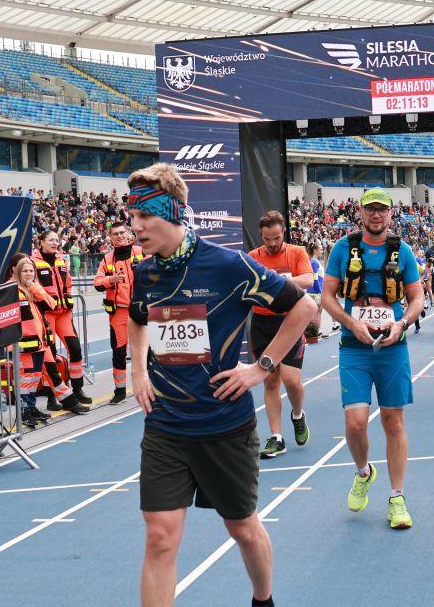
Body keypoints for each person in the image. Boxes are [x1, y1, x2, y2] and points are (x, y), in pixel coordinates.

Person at [126, 163, 316, 607]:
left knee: (242, 528)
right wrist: (138, 372)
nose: (135, 227)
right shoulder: (145, 273)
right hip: (166, 425)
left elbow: (304, 308)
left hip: (223, 425)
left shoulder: (228, 265)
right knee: (159, 536)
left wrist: (261, 367)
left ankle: (263, 600)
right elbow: (137, 318)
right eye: (131, 217)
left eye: (144, 216)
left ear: (173, 211)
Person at [321, 187, 424, 530]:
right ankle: (364, 472)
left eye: (382, 209)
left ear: (391, 214)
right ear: (361, 213)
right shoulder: (343, 248)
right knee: (355, 423)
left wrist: (402, 323)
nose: (376, 215)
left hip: (392, 346)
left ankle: (397, 497)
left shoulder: (402, 250)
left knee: (393, 422)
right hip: (354, 346)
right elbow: (327, 297)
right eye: (370, 209)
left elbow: (417, 298)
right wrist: (350, 322)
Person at [247, 210, 313, 459]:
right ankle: (276, 437)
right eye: (267, 239)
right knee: (270, 380)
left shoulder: (297, 252)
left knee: (291, 380)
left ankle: (297, 414)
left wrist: (277, 281)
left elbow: (308, 279)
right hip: (262, 323)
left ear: (283, 232)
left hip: (290, 320)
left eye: (276, 238)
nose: (272, 243)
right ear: (261, 236)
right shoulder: (253, 257)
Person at [10, 255, 90, 425]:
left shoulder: (30, 290)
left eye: (31, 271)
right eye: (25, 271)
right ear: (15, 271)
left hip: (38, 341)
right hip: (24, 344)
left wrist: (35, 287)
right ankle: (27, 411)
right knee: (28, 378)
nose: (29, 274)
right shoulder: (13, 291)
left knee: (34, 377)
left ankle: (31, 408)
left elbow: (51, 304)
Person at [32, 230, 90, 404]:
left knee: (75, 349)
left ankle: (77, 388)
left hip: (64, 314)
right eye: (51, 240)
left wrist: (67, 296)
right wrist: (45, 302)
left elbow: (68, 282)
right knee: (51, 356)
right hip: (47, 315)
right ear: (41, 242)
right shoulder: (32, 262)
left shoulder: (61, 260)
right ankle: (52, 397)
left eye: (56, 240)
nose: (55, 243)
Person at [94, 221, 146, 404]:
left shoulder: (141, 252)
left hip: (142, 310)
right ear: (110, 237)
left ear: (128, 233)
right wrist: (111, 279)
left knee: (147, 352)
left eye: (122, 232)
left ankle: (151, 387)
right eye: (115, 233)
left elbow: (158, 272)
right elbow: (97, 282)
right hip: (119, 313)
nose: (120, 236)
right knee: (118, 352)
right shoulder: (107, 259)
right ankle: (120, 391)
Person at [305, 241, 325, 343]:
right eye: (320, 249)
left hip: (316, 290)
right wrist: (319, 291)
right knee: (316, 312)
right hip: (315, 291)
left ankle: (317, 331)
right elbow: (315, 279)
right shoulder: (314, 262)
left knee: (319, 311)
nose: (322, 251)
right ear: (315, 250)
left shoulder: (315, 261)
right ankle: (313, 332)